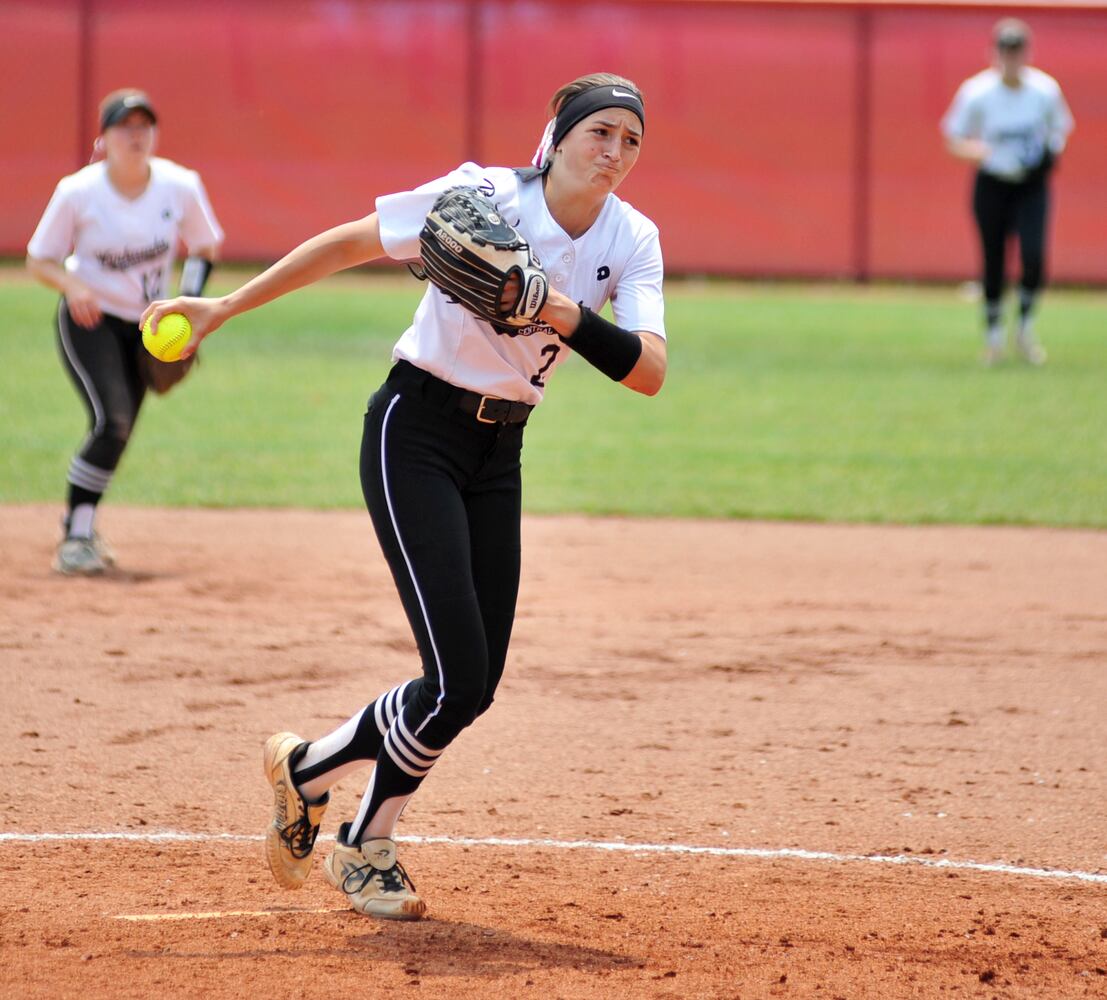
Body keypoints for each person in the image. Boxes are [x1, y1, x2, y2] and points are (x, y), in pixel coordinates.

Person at [141, 73, 666, 921]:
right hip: (412, 429)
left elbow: (647, 370)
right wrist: (225, 307)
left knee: (471, 687)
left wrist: (564, 313)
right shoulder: (485, 196)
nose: (614, 152)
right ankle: (364, 841)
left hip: (502, 451)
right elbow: (354, 242)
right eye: (599, 131)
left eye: (631, 140)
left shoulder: (632, 238)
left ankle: (307, 769)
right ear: (559, 135)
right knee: (455, 671)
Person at [26, 89, 224, 574]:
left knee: (121, 429)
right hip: (89, 320)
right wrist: (73, 286)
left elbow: (204, 245)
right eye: (124, 126)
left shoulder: (180, 185)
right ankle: (75, 537)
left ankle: (84, 527)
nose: (135, 136)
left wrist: (189, 306)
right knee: (111, 420)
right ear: (104, 138)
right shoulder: (79, 191)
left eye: (143, 126)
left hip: (148, 326)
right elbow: (38, 258)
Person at [942, 18, 1074, 366]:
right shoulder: (978, 92)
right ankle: (994, 337)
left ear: (1027, 53)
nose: (1011, 58)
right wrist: (981, 152)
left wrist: (1049, 154)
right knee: (994, 260)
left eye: (1017, 51)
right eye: (1005, 50)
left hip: (1031, 185)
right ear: (994, 52)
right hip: (993, 184)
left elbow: (1059, 131)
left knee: (1033, 256)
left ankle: (1025, 329)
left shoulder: (1044, 90)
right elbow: (954, 137)